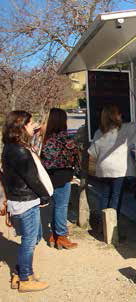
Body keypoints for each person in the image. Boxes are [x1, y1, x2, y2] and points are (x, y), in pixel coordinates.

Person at [2, 110, 53, 292]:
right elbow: (32, 178)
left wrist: (36, 132)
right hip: (26, 200)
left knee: (32, 237)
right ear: (22, 126)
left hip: (20, 199)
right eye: (31, 124)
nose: (34, 127)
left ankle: (22, 272)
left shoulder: (11, 146)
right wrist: (44, 196)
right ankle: (24, 278)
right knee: (30, 240)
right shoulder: (20, 151)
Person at [88, 103, 136, 221]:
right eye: (119, 114)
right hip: (118, 170)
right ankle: (113, 226)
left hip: (103, 170)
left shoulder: (99, 132)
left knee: (105, 195)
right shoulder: (124, 129)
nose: (121, 116)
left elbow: (92, 154)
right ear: (115, 116)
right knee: (116, 197)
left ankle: (102, 223)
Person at [41, 108, 80, 249]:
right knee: (62, 206)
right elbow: (75, 156)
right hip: (63, 176)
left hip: (48, 177)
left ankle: (53, 236)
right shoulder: (66, 138)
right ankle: (62, 236)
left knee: (53, 205)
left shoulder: (46, 138)